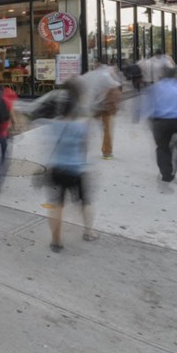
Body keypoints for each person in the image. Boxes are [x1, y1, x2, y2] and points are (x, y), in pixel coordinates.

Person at [44, 77, 98, 253]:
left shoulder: (54, 124)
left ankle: (56, 241)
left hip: (57, 168)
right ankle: (88, 231)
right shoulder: (82, 125)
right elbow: (85, 147)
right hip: (77, 169)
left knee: (56, 205)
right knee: (85, 202)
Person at [80, 60, 123, 160]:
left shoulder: (87, 75)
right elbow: (116, 85)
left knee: (84, 129)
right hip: (103, 107)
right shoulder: (105, 75)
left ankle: (81, 151)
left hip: (89, 107)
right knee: (106, 130)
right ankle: (107, 152)